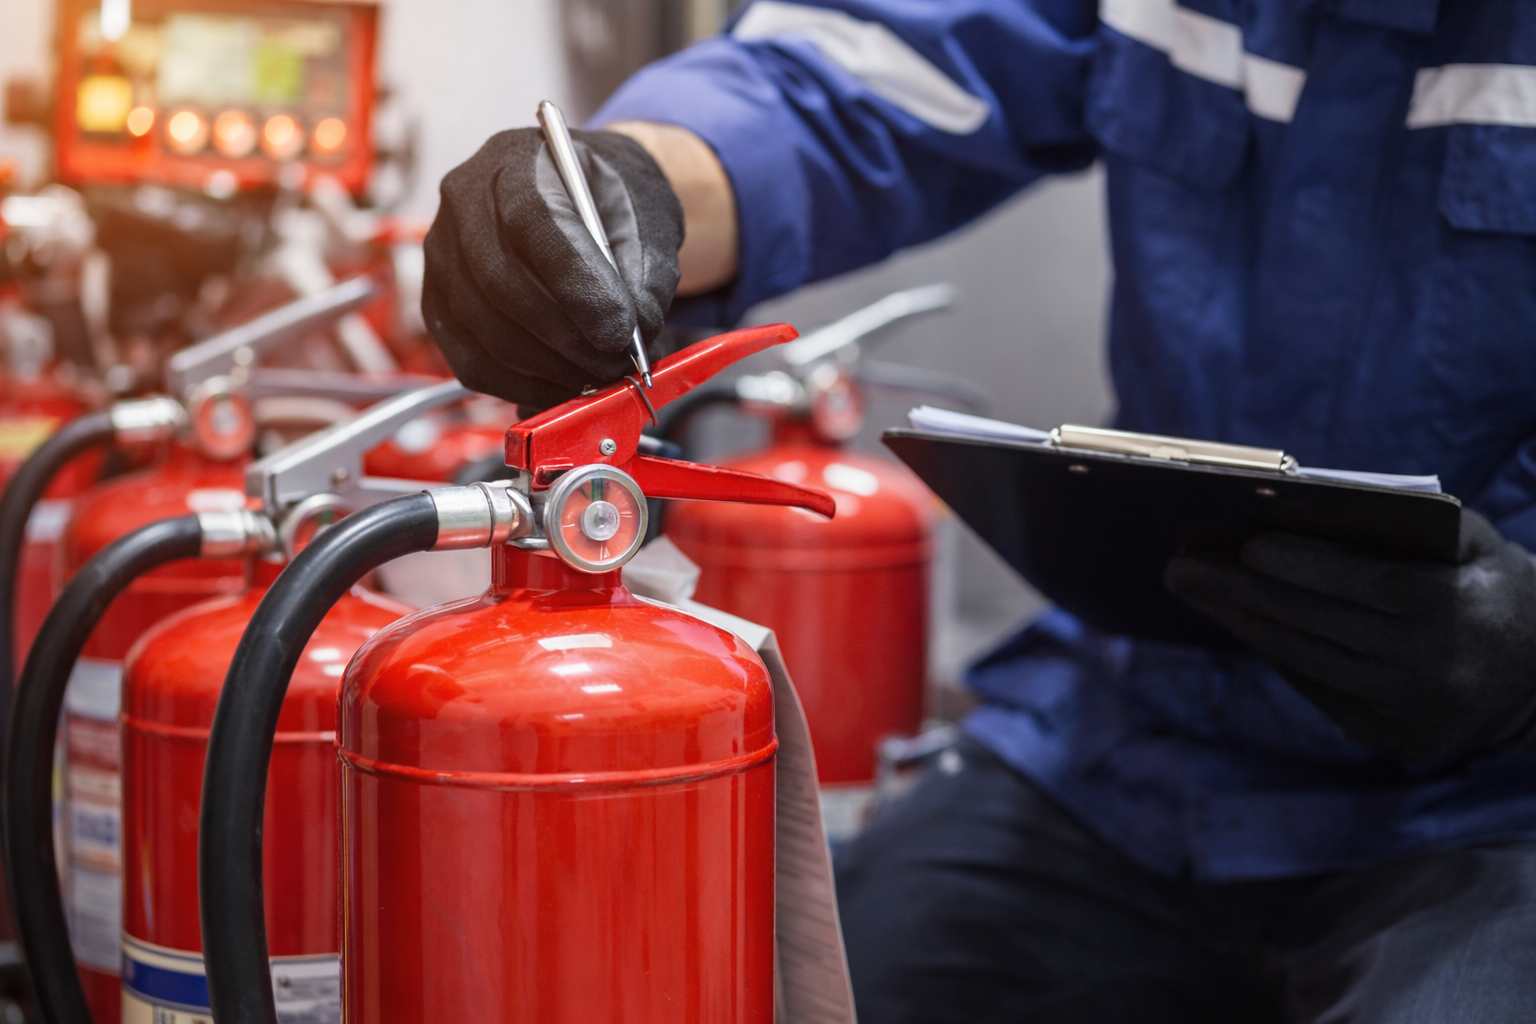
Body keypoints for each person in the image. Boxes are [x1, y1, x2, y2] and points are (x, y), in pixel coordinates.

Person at [421, 1, 1536, 1020]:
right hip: (1135, 750)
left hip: (1492, 806)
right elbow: (863, 69)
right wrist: (627, 187)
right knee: (786, 983)